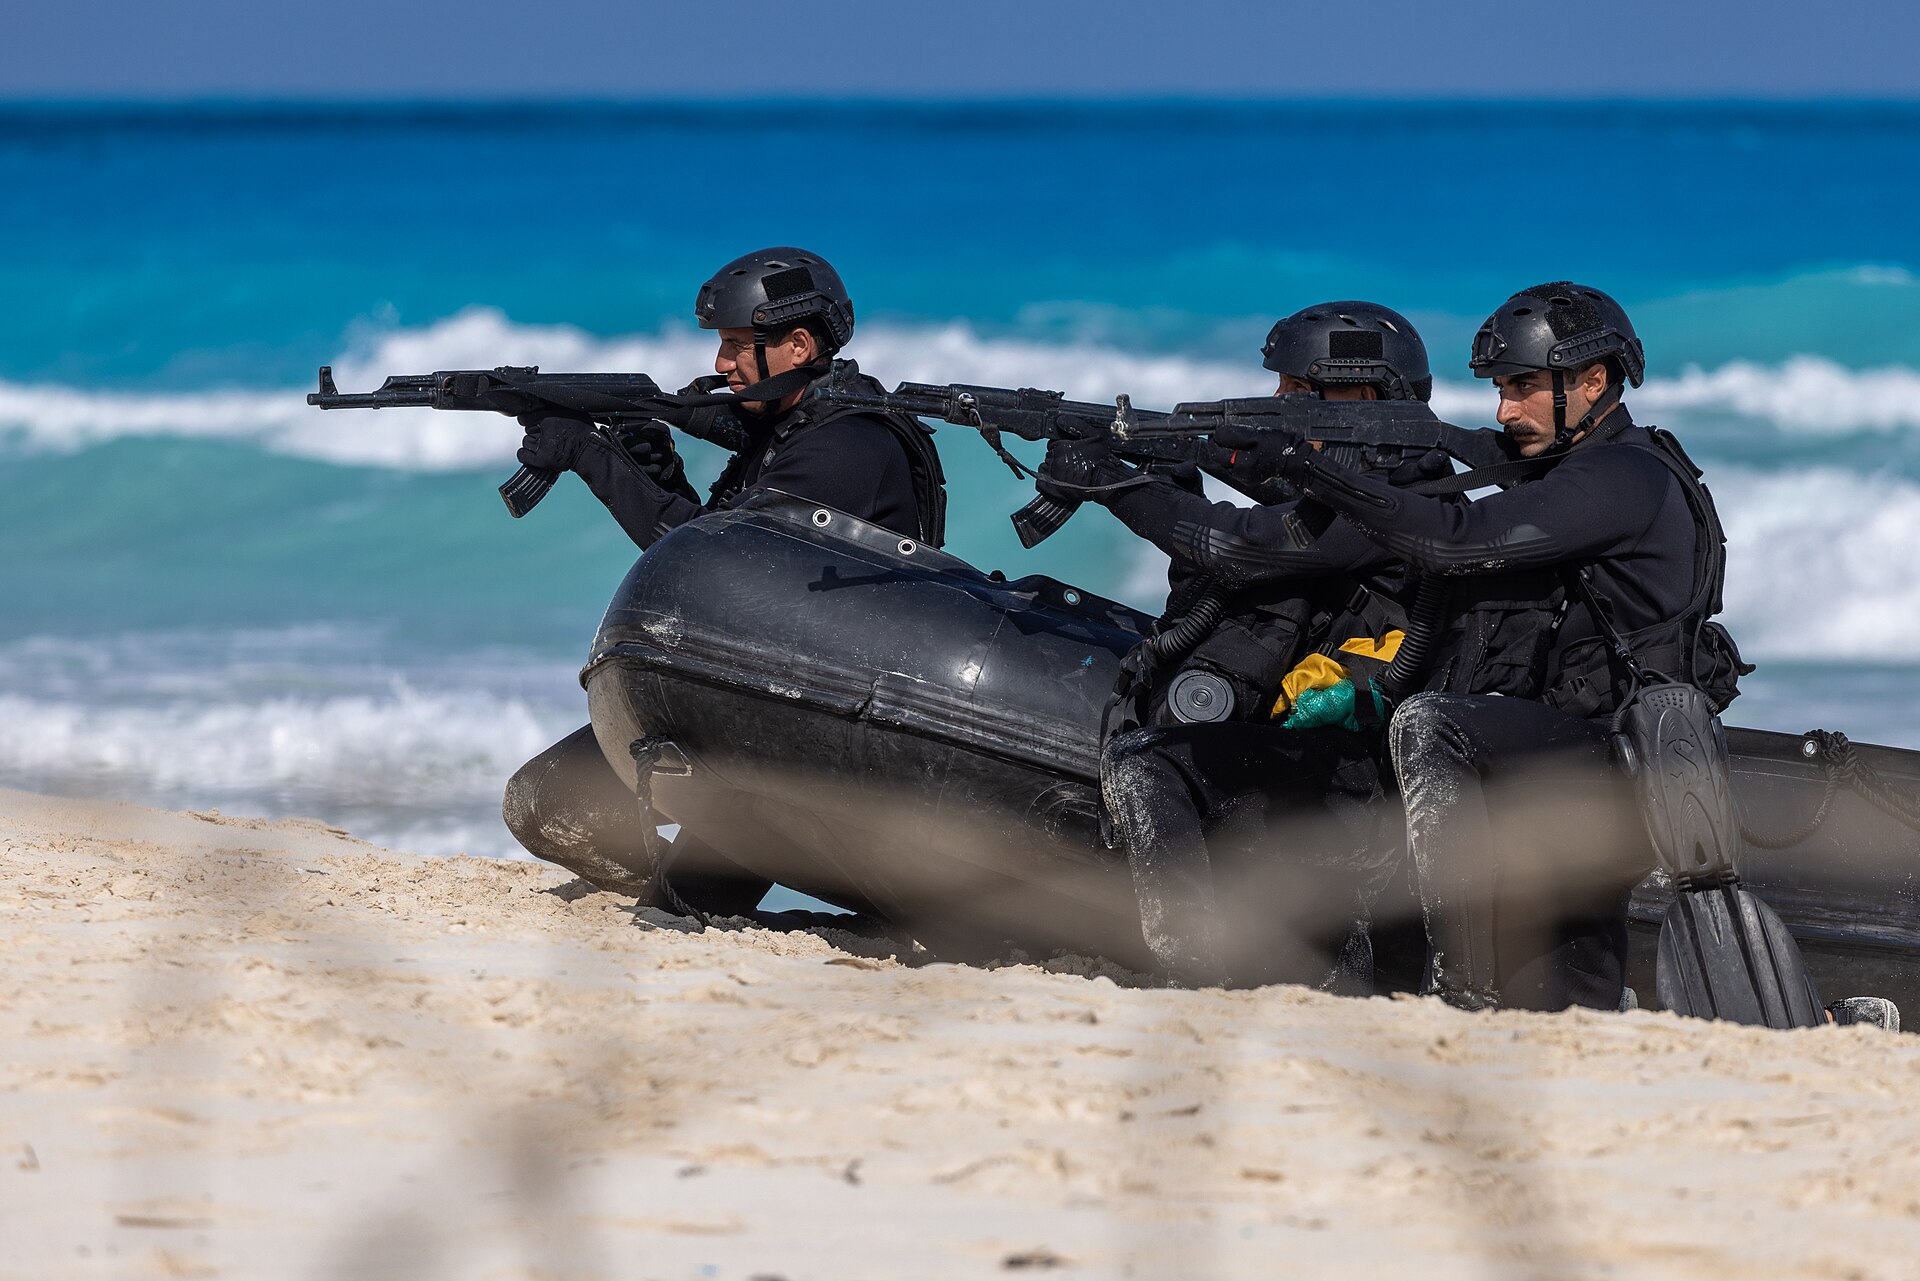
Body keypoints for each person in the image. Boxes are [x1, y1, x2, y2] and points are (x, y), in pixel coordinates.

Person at [1223, 282, 1738, 1012]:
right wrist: (1246, 447)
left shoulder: (1621, 476)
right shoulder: (1571, 459)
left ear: (1593, 382)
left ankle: (1461, 994)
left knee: (1432, 723)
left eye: (1522, 387)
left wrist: (1315, 472)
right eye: (1500, 389)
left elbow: (1455, 539)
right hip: (1564, 739)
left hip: (1622, 755)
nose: (1504, 410)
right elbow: (1441, 446)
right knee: (1568, 995)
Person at [502, 249, 945, 913]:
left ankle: (724, 891)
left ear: (797, 345)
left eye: (737, 345)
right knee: (547, 801)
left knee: (679, 903)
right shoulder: (788, 432)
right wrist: (663, 475)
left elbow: (708, 578)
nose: (719, 364)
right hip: (753, 713)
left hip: (814, 743)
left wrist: (590, 455)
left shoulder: (848, 445)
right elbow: (722, 542)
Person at [1034, 302, 1458, 987]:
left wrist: (1114, 485)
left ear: (1365, 395)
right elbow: (1262, 494)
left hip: (1361, 778)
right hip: (1331, 767)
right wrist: (1145, 447)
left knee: (1149, 765)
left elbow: (1239, 545)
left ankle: (1190, 978)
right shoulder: (1374, 482)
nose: (1277, 403)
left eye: (1297, 390)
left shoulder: (1394, 499)